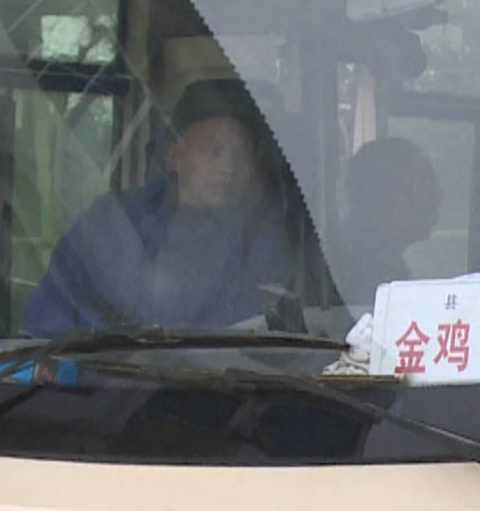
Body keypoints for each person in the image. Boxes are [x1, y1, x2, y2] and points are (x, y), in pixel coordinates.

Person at [24, 78, 298, 337]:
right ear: (174, 154)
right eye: (212, 150)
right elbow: (47, 326)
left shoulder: (264, 240)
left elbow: (262, 339)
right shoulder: (111, 223)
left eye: (241, 154)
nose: (228, 168)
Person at [329, 136, 441, 305]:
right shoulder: (357, 271)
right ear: (388, 194)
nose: (438, 195)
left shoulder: (375, 257)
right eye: (426, 182)